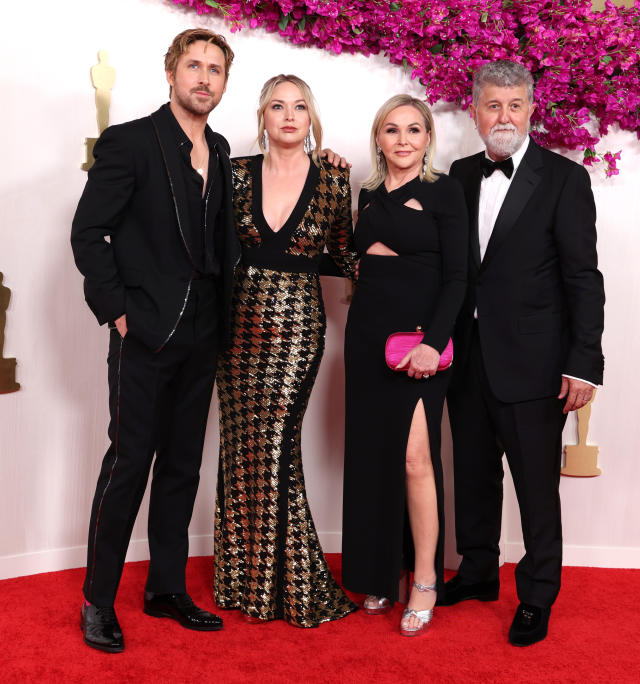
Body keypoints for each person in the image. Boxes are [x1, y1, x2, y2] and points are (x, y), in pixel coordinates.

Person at [70, 28, 240, 653]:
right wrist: (117, 312)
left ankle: (166, 588)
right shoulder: (131, 143)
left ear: (224, 82)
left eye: (214, 68)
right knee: (129, 463)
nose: (203, 77)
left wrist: (322, 155)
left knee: (181, 466)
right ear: (171, 73)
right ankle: (98, 599)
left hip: (204, 333)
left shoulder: (221, 150)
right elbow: (89, 232)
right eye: (193, 65)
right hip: (144, 331)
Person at [442, 60, 605, 646]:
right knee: (474, 474)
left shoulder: (564, 179)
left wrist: (584, 363)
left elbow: (583, 277)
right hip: (466, 359)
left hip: (537, 365)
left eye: (514, 105)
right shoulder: (458, 175)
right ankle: (480, 571)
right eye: (493, 105)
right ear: (476, 112)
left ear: (531, 109)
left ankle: (536, 595)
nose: (503, 116)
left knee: (537, 487)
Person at [213, 75, 359, 627]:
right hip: (237, 326)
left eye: (300, 106)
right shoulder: (233, 173)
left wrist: (406, 272)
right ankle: (243, 579)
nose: (290, 115)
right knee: (241, 447)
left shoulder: (332, 178)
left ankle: (287, 583)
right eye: (278, 106)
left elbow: (344, 255)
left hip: (298, 327)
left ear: (311, 117)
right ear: (263, 116)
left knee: (274, 444)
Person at [341, 95, 467, 637]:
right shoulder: (366, 194)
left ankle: (423, 581)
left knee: (417, 460)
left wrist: (432, 345)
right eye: (391, 130)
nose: (403, 140)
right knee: (373, 457)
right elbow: (352, 262)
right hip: (367, 338)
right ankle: (377, 575)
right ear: (379, 139)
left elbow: (458, 278)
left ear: (428, 138)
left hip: (419, 344)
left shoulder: (445, 192)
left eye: (414, 130)